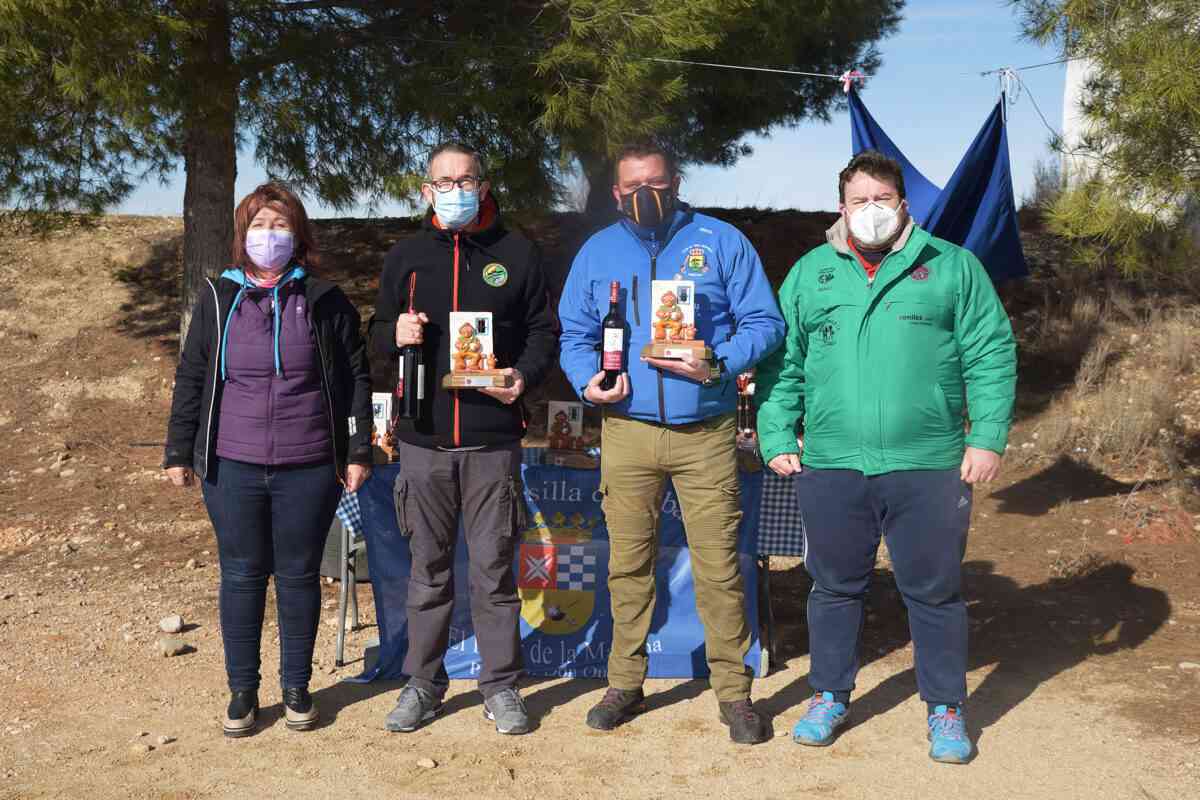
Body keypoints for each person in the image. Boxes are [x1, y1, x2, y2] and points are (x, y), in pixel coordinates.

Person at [755, 150, 1017, 763]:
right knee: (833, 587)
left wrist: (987, 437)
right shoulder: (811, 272)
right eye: (858, 200)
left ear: (903, 204)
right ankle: (829, 695)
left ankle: (946, 708)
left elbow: (991, 354)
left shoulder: (952, 267)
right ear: (840, 208)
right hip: (832, 462)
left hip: (927, 462)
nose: (871, 210)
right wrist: (776, 436)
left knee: (934, 591)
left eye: (882, 199)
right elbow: (782, 364)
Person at [558, 142, 785, 745]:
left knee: (719, 568)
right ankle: (625, 683)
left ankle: (734, 694)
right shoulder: (597, 251)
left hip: (705, 433)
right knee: (628, 564)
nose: (645, 196)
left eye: (656, 183)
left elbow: (766, 322)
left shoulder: (721, 241)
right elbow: (574, 333)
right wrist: (588, 381)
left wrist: (718, 361)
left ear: (677, 182)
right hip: (627, 430)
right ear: (615, 193)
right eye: (632, 187)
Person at [163, 182, 373, 738]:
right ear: (242, 236)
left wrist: (358, 448)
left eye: (280, 226)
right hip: (231, 464)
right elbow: (191, 377)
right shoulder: (216, 298)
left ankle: (297, 686)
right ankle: (242, 691)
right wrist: (178, 448)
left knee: (300, 574)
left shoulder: (326, 300)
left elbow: (354, 379)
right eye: (258, 225)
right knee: (241, 574)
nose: (269, 237)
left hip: (309, 464)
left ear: (298, 235)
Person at [370, 142, 556, 736]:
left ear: (484, 184)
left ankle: (501, 686)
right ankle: (422, 683)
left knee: (494, 572)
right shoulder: (407, 256)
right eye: (443, 181)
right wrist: (392, 331)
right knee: (427, 571)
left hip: (491, 441)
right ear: (426, 191)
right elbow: (374, 333)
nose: (455, 189)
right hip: (423, 441)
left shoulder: (517, 252)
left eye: (465, 179)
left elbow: (543, 332)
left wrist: (522, 377)